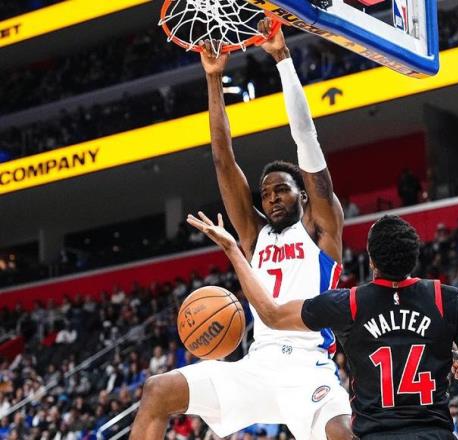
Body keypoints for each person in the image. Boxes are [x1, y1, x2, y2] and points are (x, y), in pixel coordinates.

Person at [130, 18, 351, 440]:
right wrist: (214, 79)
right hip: (257, 366)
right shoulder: (253, 236)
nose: (272, 198)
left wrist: (282, 58)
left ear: (303, 195)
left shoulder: (321, 228)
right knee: (158, 391)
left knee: (343, 433)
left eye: (282, 190)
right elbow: (222, 158)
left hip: (309, 368)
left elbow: (306, 139)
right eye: (265, 193)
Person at [186, 212, 458, 439]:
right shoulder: (447, 300)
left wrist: (233, 249)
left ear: (371, 261)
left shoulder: (349, 303)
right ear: (414, 257)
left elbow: (271, 314)